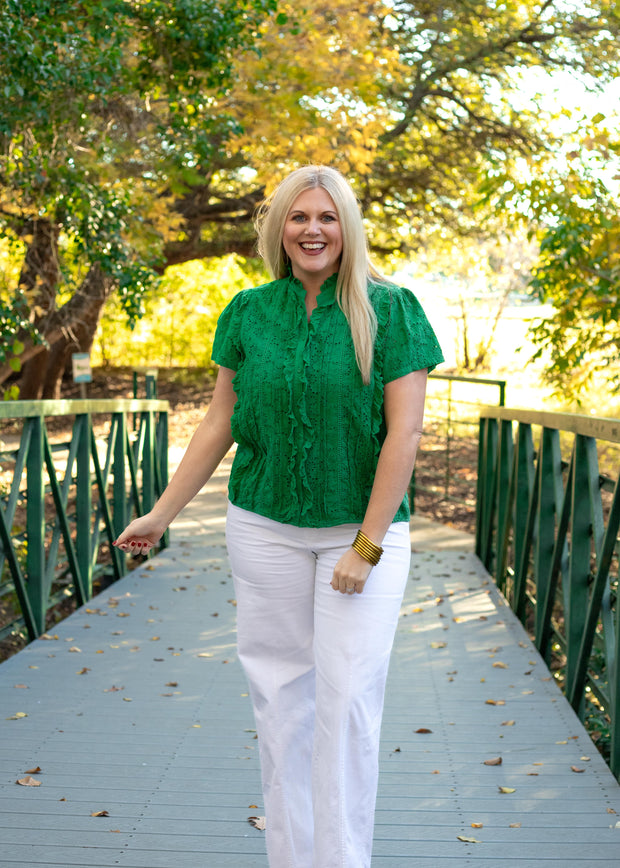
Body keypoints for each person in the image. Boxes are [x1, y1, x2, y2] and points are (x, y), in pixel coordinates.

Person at [114, 165, 443, 867]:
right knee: (281, 703)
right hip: (263, 529)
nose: (312, 230)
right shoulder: (248, 312)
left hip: (362, 537)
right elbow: (220, 421)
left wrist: (366, 545)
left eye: (326, 217)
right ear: (278, 230)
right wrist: (162, 512)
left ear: (347, 227)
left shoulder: (394, 310)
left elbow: (405, 435)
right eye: (298, 217)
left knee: (348, 703)